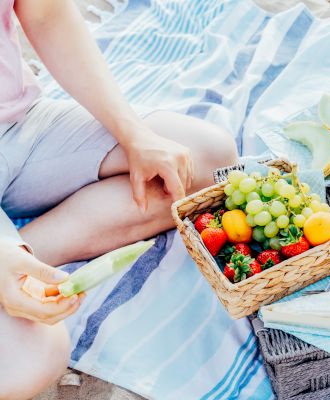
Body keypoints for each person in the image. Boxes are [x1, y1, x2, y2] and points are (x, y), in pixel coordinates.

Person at [0, 1, 238, 398]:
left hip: (19, 126)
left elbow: (45, 12)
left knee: (201, 159)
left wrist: (133, 133)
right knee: (29, 363)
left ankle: (23, 257)